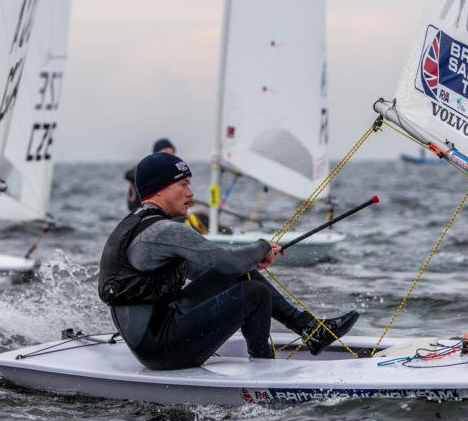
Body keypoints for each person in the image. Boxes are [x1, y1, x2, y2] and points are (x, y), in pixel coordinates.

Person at [99, 152, 359, 370]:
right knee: (253, 293)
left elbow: (214, 269)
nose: (191, 193)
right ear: (160, 188)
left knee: (239, 276)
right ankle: (263, 368)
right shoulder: (163, 231)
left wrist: (250, 260)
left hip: (156, 336)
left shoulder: (137, 225)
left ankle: (311, 331)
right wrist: (261, 246)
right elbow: (227, 262)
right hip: (161, 350)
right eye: (184, 184)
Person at [125, 139, 176, 212]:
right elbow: (130, 174)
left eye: (171, 154)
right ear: (156, 154)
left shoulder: (171, 171)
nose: (168, 157)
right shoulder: (146, 168)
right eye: (165, 153)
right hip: (142, 212)